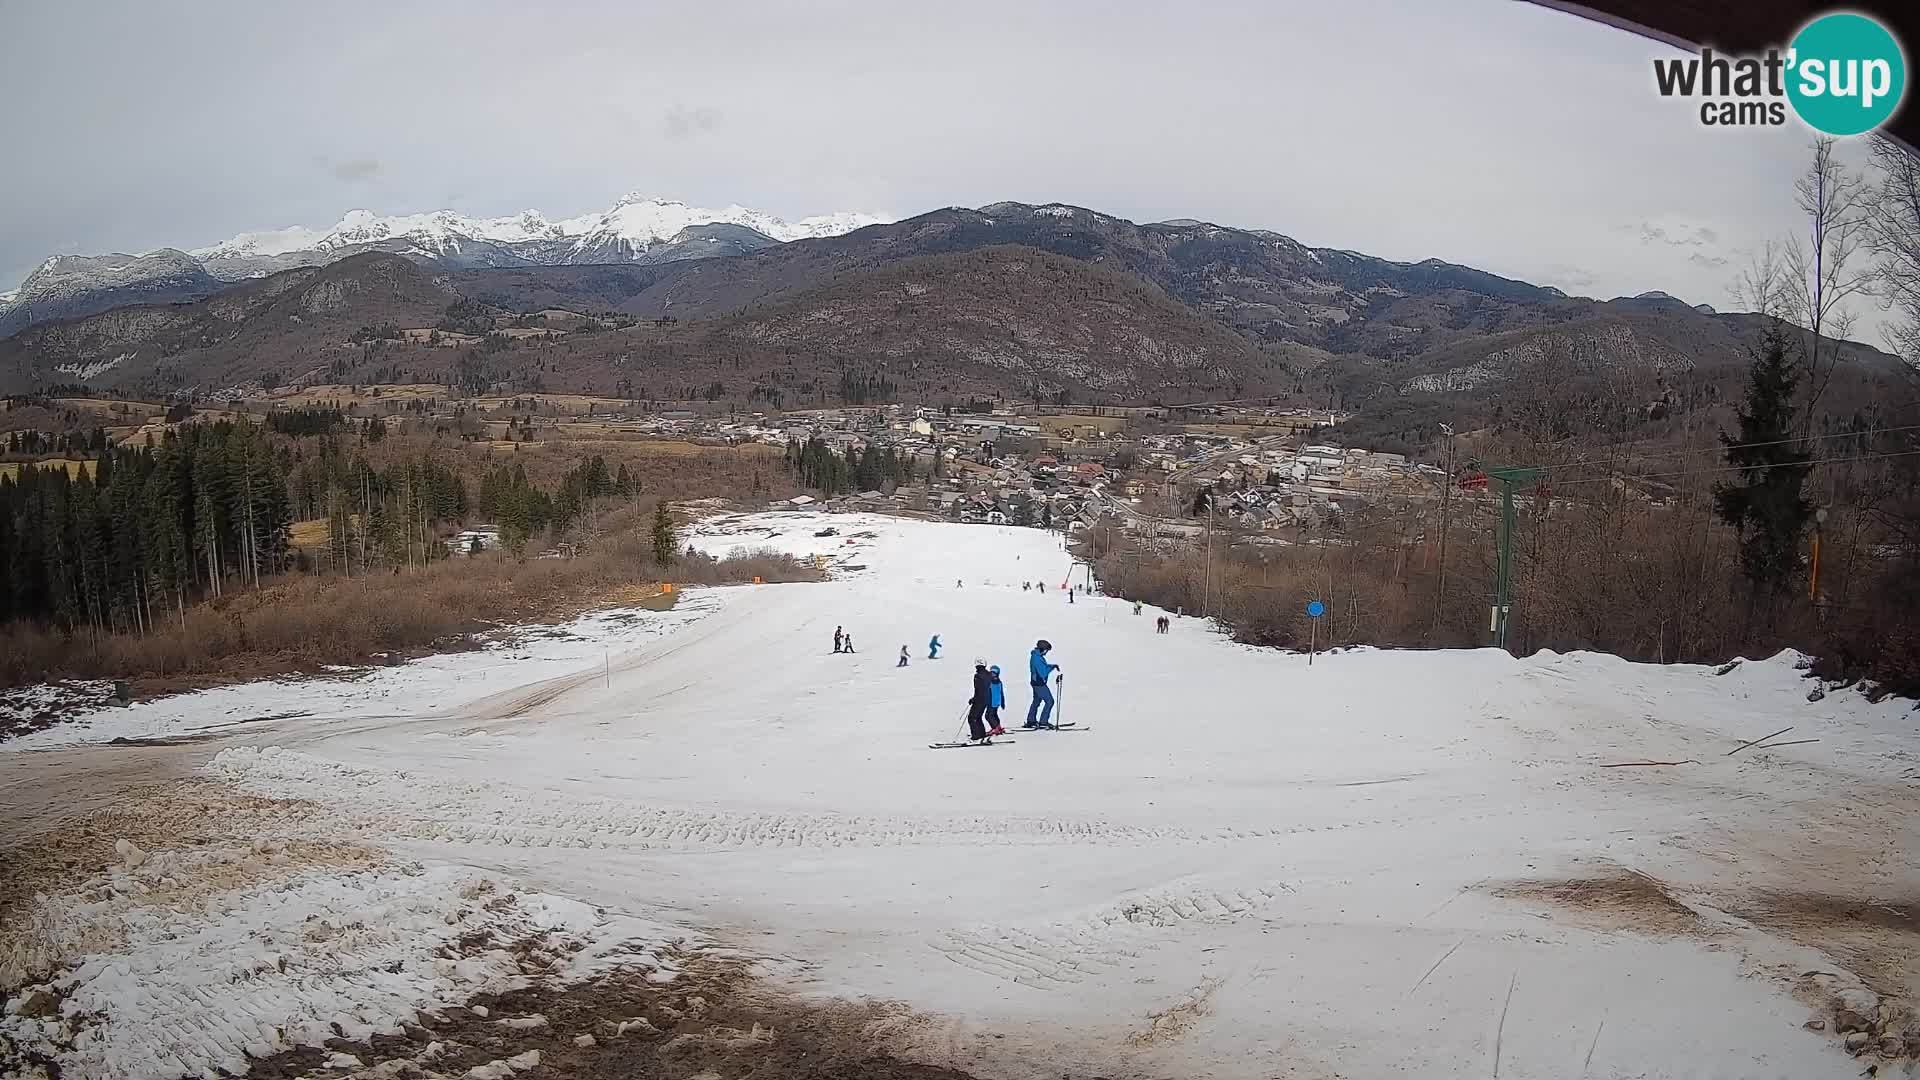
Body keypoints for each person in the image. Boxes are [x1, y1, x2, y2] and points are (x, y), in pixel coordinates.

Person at [1024, 639, 1060, 729]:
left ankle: (1031, 720)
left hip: (1036, 682)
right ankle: (1043, 721)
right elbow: (1043, 672)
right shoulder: (1037, 658)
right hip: (1039, 684)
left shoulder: (1037, 656)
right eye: (1046, 650)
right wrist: (1052, 668)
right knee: (1050, 701)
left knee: (1036, 701)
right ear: (1042, 649)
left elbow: (1043, 668)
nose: (1046, 652)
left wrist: (1052, 666)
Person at [966, 659, 993, 742]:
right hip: (986, 699)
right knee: (978, 717)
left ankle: (976, 736)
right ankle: (981, 734)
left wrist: (974, 699)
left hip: (980, 699)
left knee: (972, 718)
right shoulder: (989, 674)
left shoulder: (978, 676)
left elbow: (979, 690)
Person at [986, 665, 1007, 736]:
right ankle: (998, 726)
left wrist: (1003, 702)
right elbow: (1001, 692)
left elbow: (1001, 693)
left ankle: (995, 728)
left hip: (992, 702)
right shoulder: (999, 682)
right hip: (996, 702)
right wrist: (1002, 702)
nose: (992, 675)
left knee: (988, 716)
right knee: (994, 715)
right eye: (991, 673)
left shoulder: (990, 682)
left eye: (994, 673)